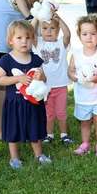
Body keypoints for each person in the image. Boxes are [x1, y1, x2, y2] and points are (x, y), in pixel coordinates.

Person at [0, 20, 52, 169]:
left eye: (28, 38)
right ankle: (14, 158)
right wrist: (18, 78)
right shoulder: (6, 60)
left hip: (33, 103)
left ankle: (39, 154)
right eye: (19, 38)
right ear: (10, 41)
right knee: (13, 130)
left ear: (33, 40)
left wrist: (40, 76)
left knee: (35, 128)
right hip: (14, 103)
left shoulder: (35, 59)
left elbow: (44, 77)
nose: (24, 42)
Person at [68, 14, 97, 156]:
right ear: (79, 35)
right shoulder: (76, 54)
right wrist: (76, 77)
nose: (89, 37)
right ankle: (85, 144)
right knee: (85, 121)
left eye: (93, 33)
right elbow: (70, 71)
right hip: (83, 96)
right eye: (85, 34)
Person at [31, 13, 72, 145]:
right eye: (44, 28)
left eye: (52, 28)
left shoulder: (61, 43)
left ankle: (64, 134)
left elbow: (68, 35)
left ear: (58, 29)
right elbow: (30, 33)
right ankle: (49, 134)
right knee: (48, 113)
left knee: (61, 112)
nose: (48, 31)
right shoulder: (38, 44)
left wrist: (59, 19)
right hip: (45, 86)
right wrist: (37, 17)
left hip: (60, 85)